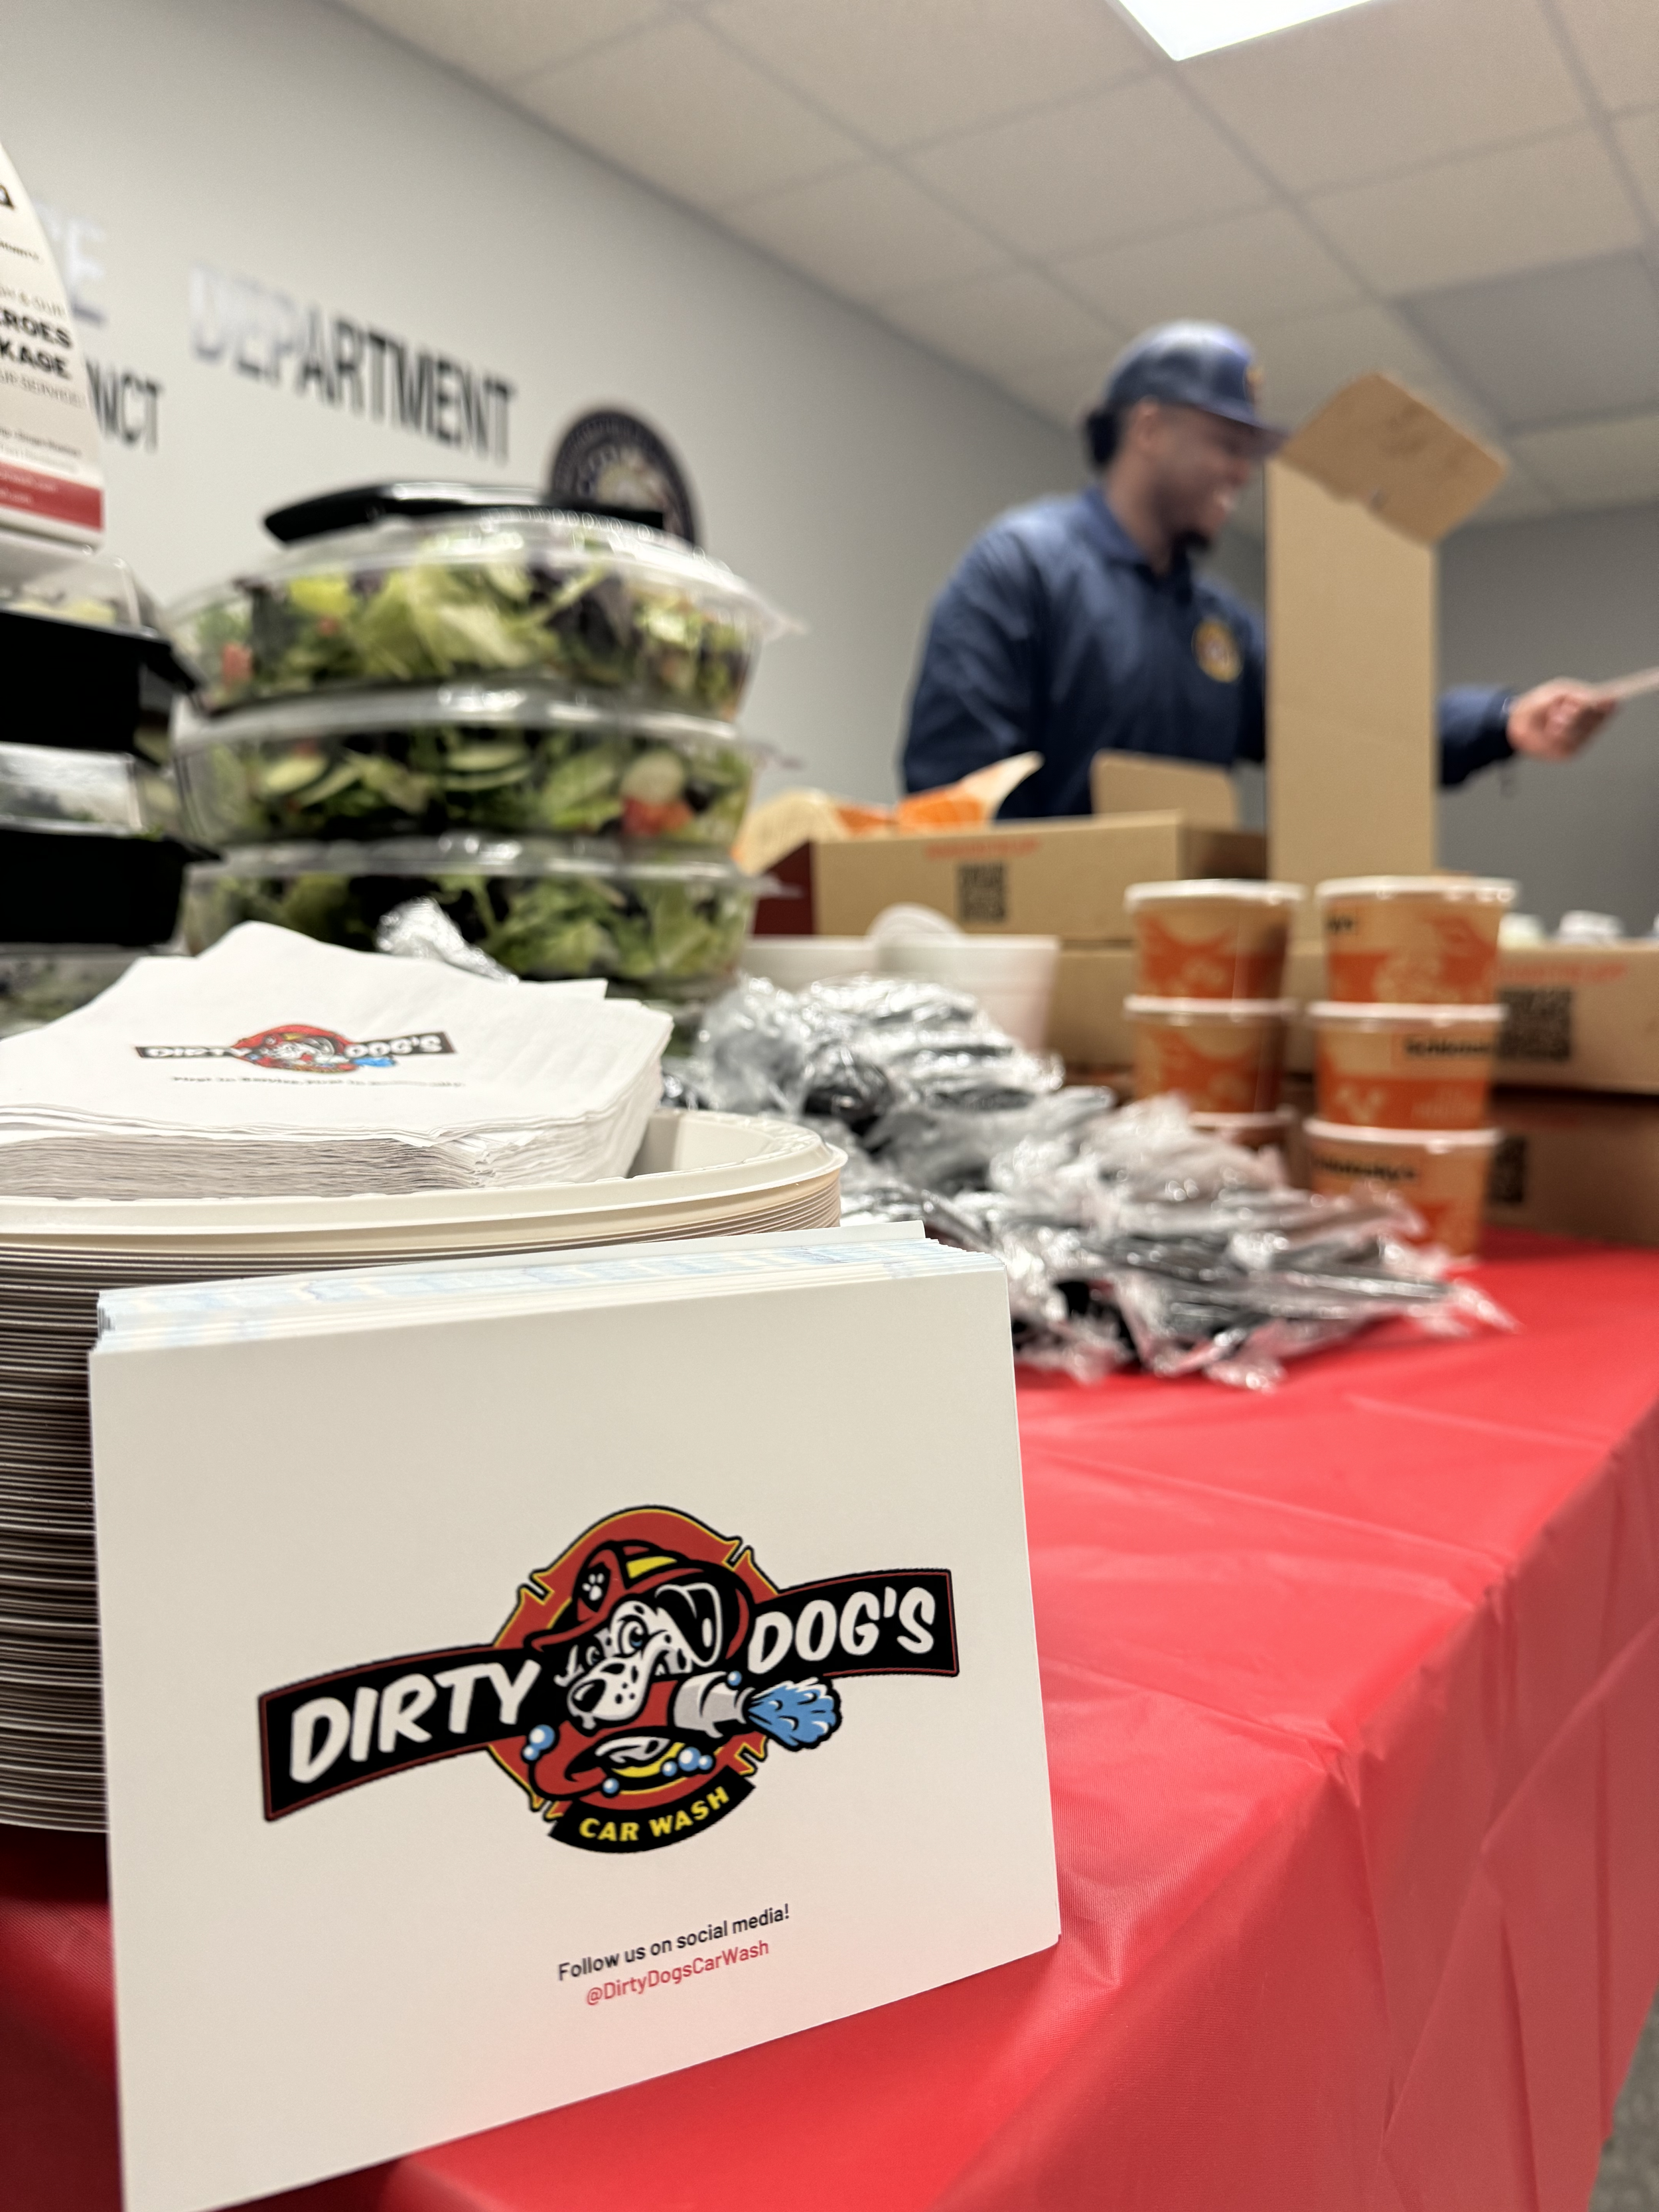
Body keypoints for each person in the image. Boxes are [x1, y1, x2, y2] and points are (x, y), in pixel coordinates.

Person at [901, 322, 1619, 818]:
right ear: (1148, 429)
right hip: (1036, 978)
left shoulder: (1217, 624)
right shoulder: (1022, 567)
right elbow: (952, 803)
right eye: (1225, 444)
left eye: (1249, 451)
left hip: (1182, 972)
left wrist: (1500, 722)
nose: (1242, 473)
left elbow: (1347, 732)